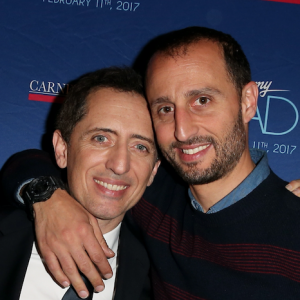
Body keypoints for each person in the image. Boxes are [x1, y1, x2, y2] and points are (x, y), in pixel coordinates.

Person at [2, 27, 300, 299]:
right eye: (166, 108)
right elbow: (29, 162)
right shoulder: (155, 202)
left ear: (248, 101)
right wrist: (46, 196)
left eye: (202, 101)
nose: (182, 130)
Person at [0, 67, 160, 300]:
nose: (120, 165)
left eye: (140, 147)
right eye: (101, 138)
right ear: (62, 149)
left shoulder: (159, 280)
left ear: (154, 170)